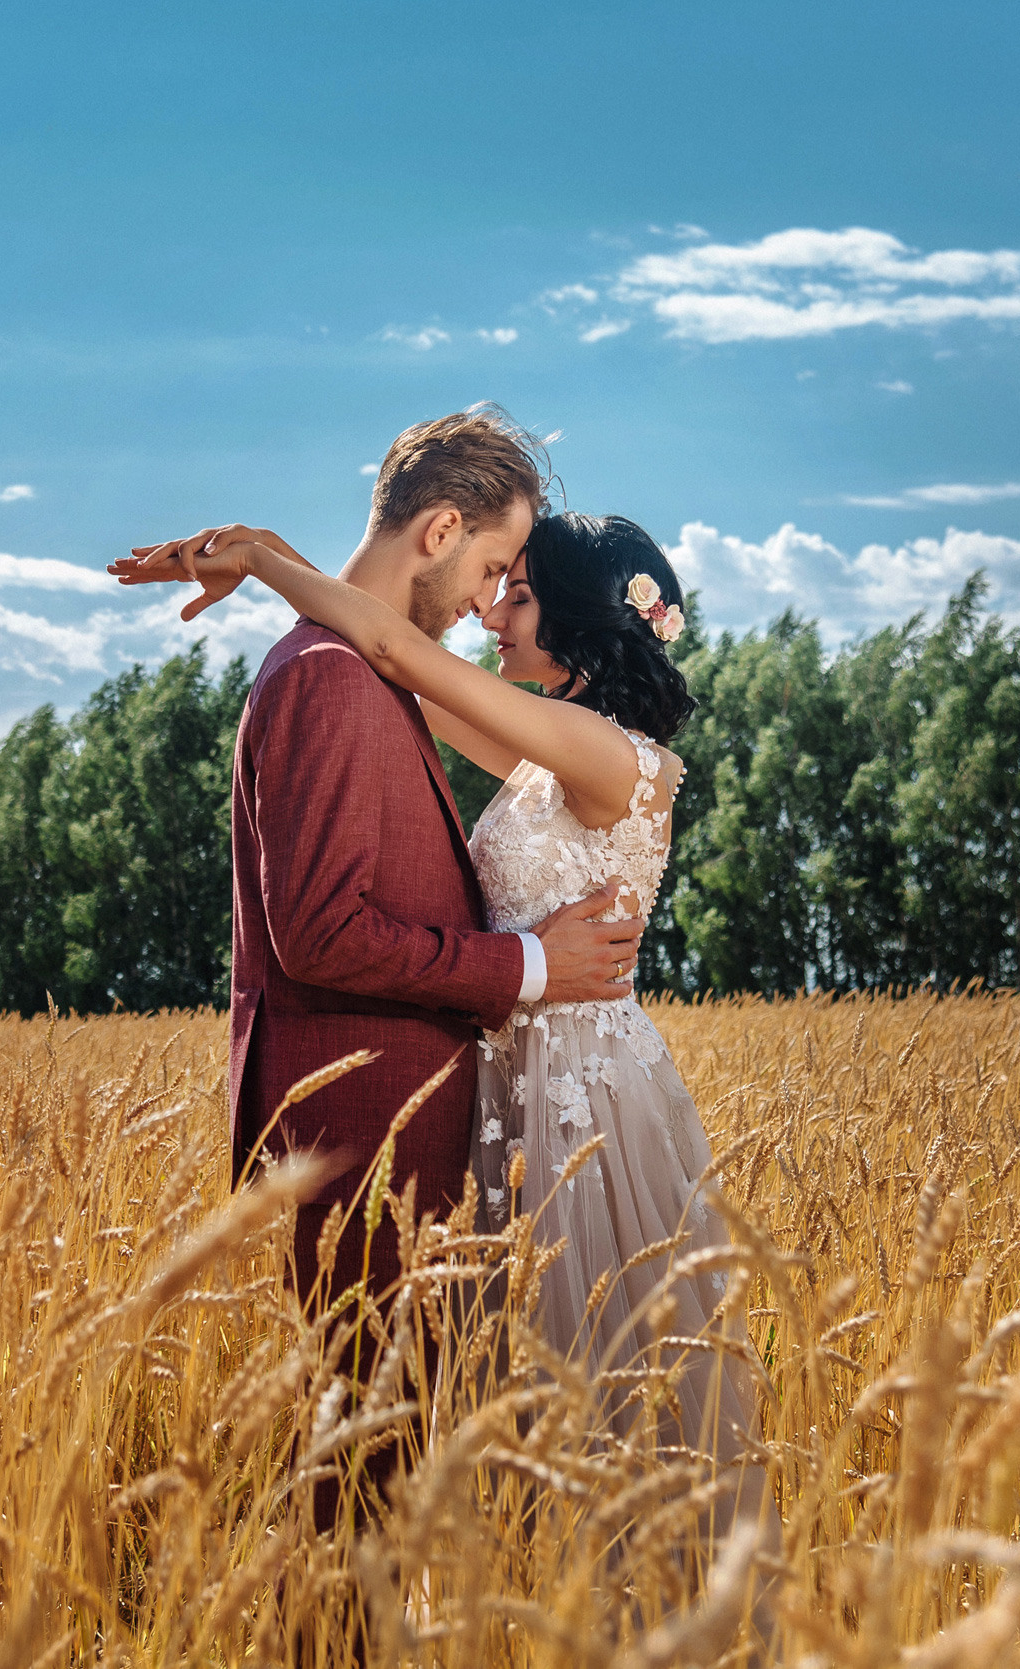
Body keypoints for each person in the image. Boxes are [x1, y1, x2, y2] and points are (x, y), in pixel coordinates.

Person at [116, 485, 779, 1633]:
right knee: (512, 1391)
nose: (491, 615)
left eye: (516, 596)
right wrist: (284, 569)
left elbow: (393, 648)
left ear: (579, 620)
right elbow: (393, 660)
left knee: (588, 1385)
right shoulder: (548, 751)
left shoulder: (607, 753)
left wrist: (263, 557)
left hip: (578, 1098)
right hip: (514, 1082)